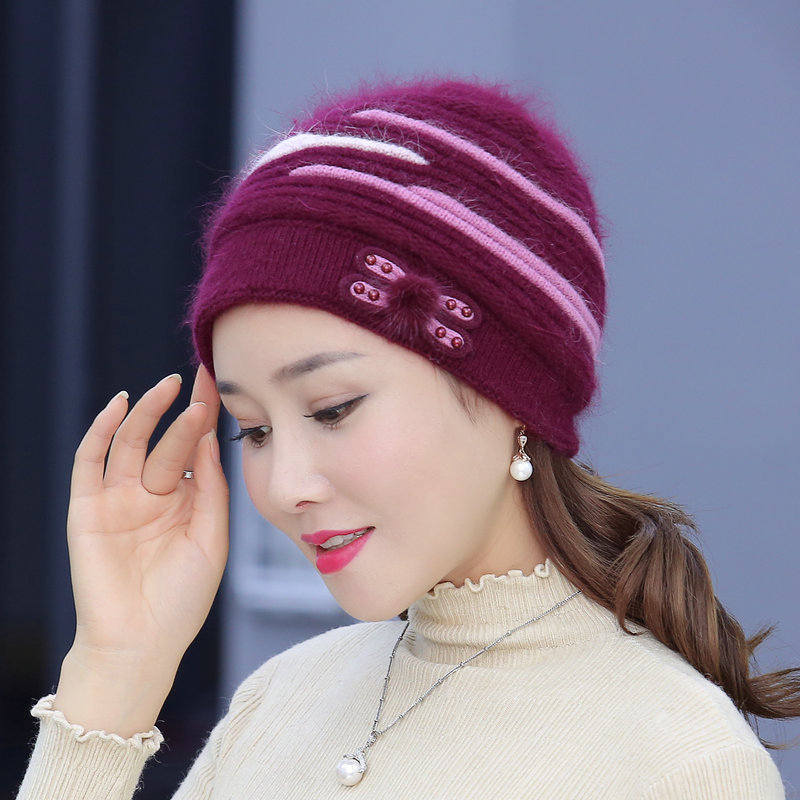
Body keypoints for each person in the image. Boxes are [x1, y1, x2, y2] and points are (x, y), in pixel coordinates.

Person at [15, 78, 799, 799]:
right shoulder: (281, 700)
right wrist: (115, 673)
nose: (285, 487)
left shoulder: (679, 763)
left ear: (513, 394)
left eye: (332, 409)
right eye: (252, 429)